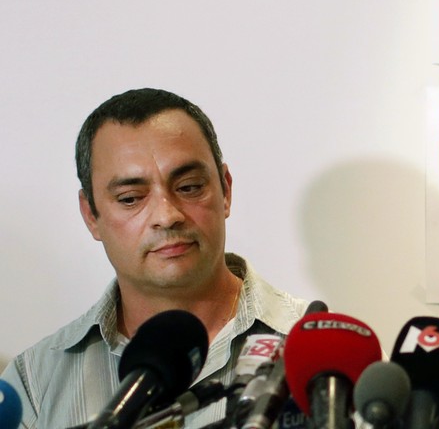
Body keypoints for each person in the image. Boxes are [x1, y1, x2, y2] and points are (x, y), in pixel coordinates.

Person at [0, 88, 310, 428]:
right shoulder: (33, 381)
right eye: (131, 198)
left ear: (225, 190)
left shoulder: (324, 352)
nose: (167, 215)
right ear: (91, 215)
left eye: (189, 187)